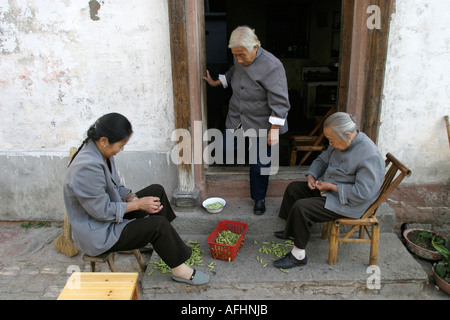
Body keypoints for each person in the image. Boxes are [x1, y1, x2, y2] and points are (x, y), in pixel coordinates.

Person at [63, 113, 209, 285]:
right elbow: (101, 211)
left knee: (156, 191)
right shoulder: (86, 168)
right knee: (158, 226)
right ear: (104, 140)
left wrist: (130, 196)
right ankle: (180, 270)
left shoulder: (101, 152)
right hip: (100, 231)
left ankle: (170, 244)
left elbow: (115, 185)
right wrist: (138, 204)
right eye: (121, 145)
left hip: (112, 212)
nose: (122, 149)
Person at [273, 112, 385, 269]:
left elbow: (363, 193)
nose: (330, 144)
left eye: (332, 140)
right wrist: (312, 175)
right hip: (333, 190)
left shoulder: (369, 154)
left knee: (302, 207)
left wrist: (331, 187)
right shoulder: (343, 141)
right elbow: (322, 159)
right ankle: (291, 231)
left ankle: (298, 256)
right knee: (294, 189)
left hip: (350, 202)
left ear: (347, 135)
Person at [202, 26, 291, 215]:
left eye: (241, 55)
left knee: (259, 164)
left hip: (262, 123)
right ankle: (253, 154)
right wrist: (217, 82)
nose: (239, 59)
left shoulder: (272, 66)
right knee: (223, 148)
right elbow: (235, 72)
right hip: (237, 117)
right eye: (235, 55)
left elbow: (281, 101)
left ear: (255, 47)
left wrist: (274, 129)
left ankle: (259, 198)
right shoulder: (240, 59)